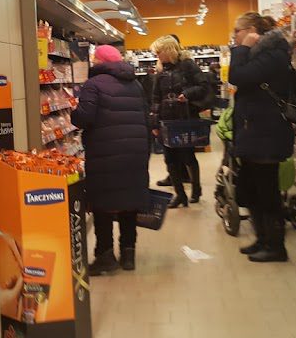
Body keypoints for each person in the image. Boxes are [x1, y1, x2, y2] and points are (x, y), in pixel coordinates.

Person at [71, 44, 150, 274]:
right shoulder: (135, 84)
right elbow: (146, 118)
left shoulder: (93, 84)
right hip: (134, 151)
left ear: (99, 61)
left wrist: (74, 112)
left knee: (103, 205)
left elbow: (84, 118)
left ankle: (105, 255)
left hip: (104, 152)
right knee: (129, 203)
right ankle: (128, 254)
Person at [228, 12, 295, 262]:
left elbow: (237, 76)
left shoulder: (273, 54)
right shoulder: (261, 55)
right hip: (254, 132)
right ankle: (263, 239)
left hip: (267, 134)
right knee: (253, 191)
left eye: (237, 31)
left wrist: (242, 49)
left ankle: (276, 246)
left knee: (268, 193)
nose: (235, 36)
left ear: (252, 31)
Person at [149, 35, 207, 208]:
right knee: (169, 159)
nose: (157, 55)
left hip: (185, 117)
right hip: (167, 120)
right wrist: (154, 123)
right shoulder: (160, 71)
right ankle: (180, 194)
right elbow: (156, 98)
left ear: (168, 50)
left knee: (188, 156)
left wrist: (187, 94)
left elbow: (203, 86)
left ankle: (196, 190)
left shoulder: (188, 65)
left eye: (159, 51)